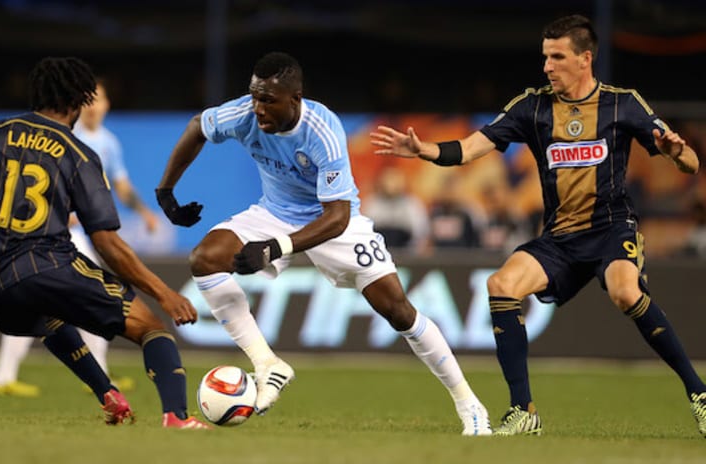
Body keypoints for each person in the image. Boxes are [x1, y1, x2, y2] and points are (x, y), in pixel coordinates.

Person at [371, 14, 706, 437]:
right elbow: (475, 147)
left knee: (625, 292)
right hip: (560, 238)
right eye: (545, 57)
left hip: (611, 230)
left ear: (585, 59)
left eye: (557, 56)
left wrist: (677, 153)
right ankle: (523, 412)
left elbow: (691, 164)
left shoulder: (624, 103)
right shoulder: (533, 106)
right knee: (500, 285)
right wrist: (424, 150)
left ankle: (699, 393)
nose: (547, 66)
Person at [156, 51, 492, 435]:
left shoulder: (322, 130)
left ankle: (470, 405)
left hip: (333, 220)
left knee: (399, 311)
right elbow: (198, 126)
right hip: (275, 211)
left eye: (268, 100)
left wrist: (273, 248)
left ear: (295, 99)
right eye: (254, 96)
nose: (258, 108)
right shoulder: (244, 114)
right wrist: (166, 191)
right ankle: (268, 365)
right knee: (205, 259)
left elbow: (337, 217)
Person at [0, 57, 208, 429]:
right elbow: (107, 243)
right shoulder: (80, 154)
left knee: (49, 320)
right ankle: (177, 417)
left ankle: (107, 394)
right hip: (49, 262)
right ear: (78, 101)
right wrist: (164, 293)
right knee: (151, 329)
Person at [0, 79, 160, 396]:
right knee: (91, 295)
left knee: (68, 299)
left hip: (79, 233)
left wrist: (145, 212)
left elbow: (119, 184)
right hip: (54, 233)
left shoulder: (108, 142)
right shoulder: (62, 135)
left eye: (100, 98)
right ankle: (11, 376)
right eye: (88, 99)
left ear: (108, 104)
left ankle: (91, 373)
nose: (94, 105)